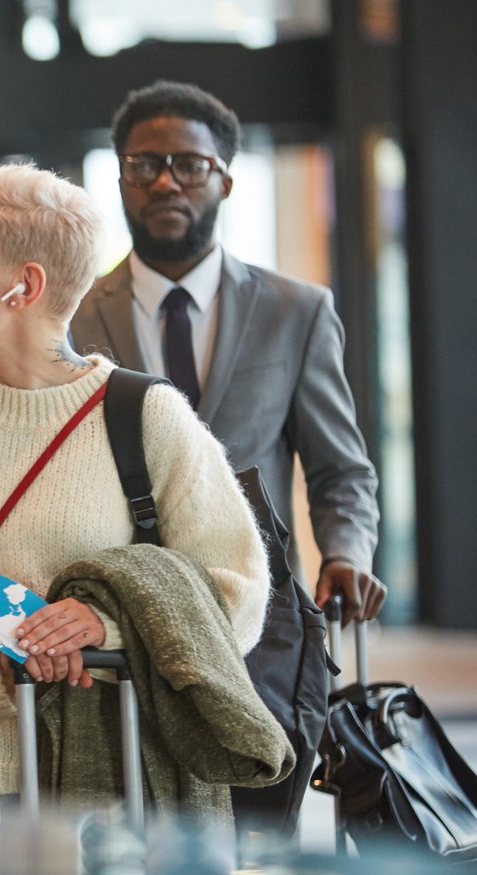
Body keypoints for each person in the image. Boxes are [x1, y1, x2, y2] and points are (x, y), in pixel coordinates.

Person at [0, 164, 270, 800]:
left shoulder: (147, 417)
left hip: (126, 797)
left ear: (26, 284)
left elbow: (239, 593)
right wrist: (5, 662)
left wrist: (106, 625)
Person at [69, 81, 386, 625]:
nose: (166, 182)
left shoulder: (296, 312)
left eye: (191, 165)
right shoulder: (73, 316)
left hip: (262, 614)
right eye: (144, 165)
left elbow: (339, 471)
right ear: (121, 179)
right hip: (117, 623)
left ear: (226, 182)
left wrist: (345, 553)